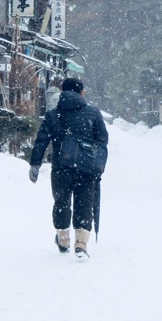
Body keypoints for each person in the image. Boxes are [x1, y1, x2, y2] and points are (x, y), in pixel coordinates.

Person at [29, 77, 109, 259]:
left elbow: (41, 141)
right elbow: (103, 140)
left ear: (63, 92)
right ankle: (80, 244)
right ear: (81, 93)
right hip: (87, 169)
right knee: (84, 204)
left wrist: (35, 163)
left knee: (61, 203)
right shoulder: (93, 113)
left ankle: (63, 240)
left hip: (61, 167)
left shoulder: (52, 114)